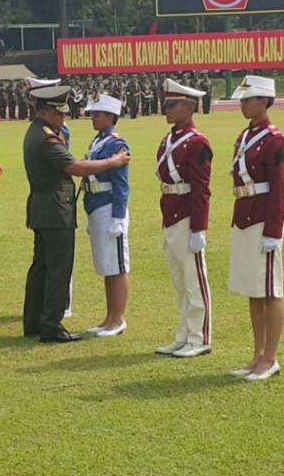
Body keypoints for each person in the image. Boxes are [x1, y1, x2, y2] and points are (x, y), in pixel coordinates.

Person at [22, 77, 130, 343]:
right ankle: (51, 325)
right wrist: (113, 161)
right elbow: (76, 169)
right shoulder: (46, 138)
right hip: (55, 210)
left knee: (42, 267)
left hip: (43, 209)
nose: (63, 118)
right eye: (59, 112)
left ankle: (35, 320)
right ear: (47, 111)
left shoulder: (36, 131)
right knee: (58, 269)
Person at [227, 75, 284, 382]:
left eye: (248, 99)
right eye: (242, 99)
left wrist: (273, 232)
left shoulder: (274, 140)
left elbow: (280, 189)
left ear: (265, 101)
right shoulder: (246, 135)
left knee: (270, 289)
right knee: (254, 290)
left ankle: (270, 357)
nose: (243, 104)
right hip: (244, 214)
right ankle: (257, 353)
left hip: (263, 218)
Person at [154, 78, 214, 358]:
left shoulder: (197, 142)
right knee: (180, 282)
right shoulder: (169, 139)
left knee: (194, 280)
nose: (165, 109)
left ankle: (199, 337)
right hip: (171, 213)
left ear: (188, 108)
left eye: (171, 105)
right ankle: (183, 334)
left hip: (188, 215)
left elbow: (202, 188)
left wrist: (198, 228)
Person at [81, 94, 131, 338]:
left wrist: (118, 216)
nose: (93, 118)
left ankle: (118, 318)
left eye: (97, 114)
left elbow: (121, 184)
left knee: (117, 266)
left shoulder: (116, 144)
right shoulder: (99, 141)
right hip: (96, 204)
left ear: (110, 116)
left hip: (110, 205)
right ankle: (109, 316)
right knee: (106, 265)